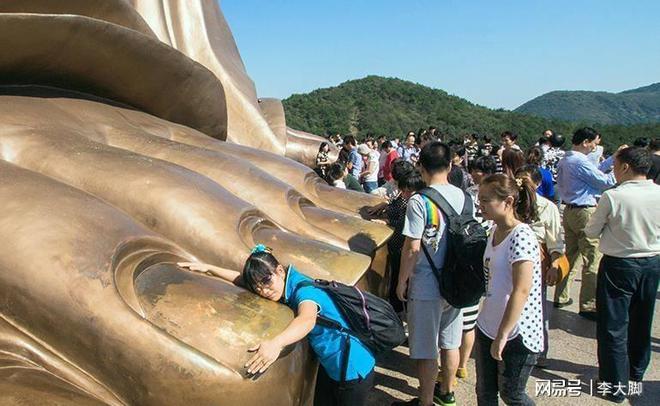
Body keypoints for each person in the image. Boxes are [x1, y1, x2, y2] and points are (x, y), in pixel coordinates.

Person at [178, 246, 376, 406]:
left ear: (280, 270)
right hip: (330, 365)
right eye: (258, 287)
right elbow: (241, 279)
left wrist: (275, 344)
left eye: (266, 281)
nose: (263, 290)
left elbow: (307, 319)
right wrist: (209, 268)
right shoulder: (285, 285)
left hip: (352, 369)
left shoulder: (304, 290)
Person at [584, 147, 660, 403]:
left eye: (615, 165)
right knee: (642, 319)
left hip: (619, 264)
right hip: (651, 263)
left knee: (613, 326)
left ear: (626, 167)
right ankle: (636, 373)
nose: (613, 170)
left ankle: (614, 385)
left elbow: (591, 232)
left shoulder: (613, 196)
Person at [393, 142, 464, 406]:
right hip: (457, 282)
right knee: (450, 342)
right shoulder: (464, 196)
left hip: (427, 283)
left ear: (421, 167)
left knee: (425, 348)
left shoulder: (420, 201)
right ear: (450, 165)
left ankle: (424, 401)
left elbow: (412, 248)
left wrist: (402, 280)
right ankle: (447, 392)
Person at [475, 174, 543, 406]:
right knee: (485, 391)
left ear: (509, 202)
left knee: (512, 394)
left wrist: (502, 334)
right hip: (488, 323)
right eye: (479, 199)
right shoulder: (494, 231)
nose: (480, 205)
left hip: (516, 331)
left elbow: (521, 290)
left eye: (486, 200)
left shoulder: (521, 236)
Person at [554, 127, 617, 320]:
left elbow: (593, 171)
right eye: (594, 143)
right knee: (592, 258)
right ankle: (588, 305)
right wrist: (618, 169)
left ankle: (561, 295)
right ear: (585, 142)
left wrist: (612, 158)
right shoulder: (579, 161)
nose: (595, 146)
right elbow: (604, 181)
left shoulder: (566, 159)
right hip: (584, 211)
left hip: (570, 210)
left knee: (571, 255)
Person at [515, 165, 566, 368]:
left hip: (538, 259)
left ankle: (539, 350)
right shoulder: (510, 203)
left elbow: (555, 240)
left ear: (537, 184)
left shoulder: (548, 207)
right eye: (519, 179)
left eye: (526, 180)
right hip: (511, 258)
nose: (522, 184)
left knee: (537, 304)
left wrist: (554, 263)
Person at [385, 161, 426, 315]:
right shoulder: (411, 200)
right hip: (400, 248)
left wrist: (388, 221)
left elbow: (411, 244)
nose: (404, 194)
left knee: (403, 284)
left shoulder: (414, 204)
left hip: (405, 250)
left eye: (406, 191)